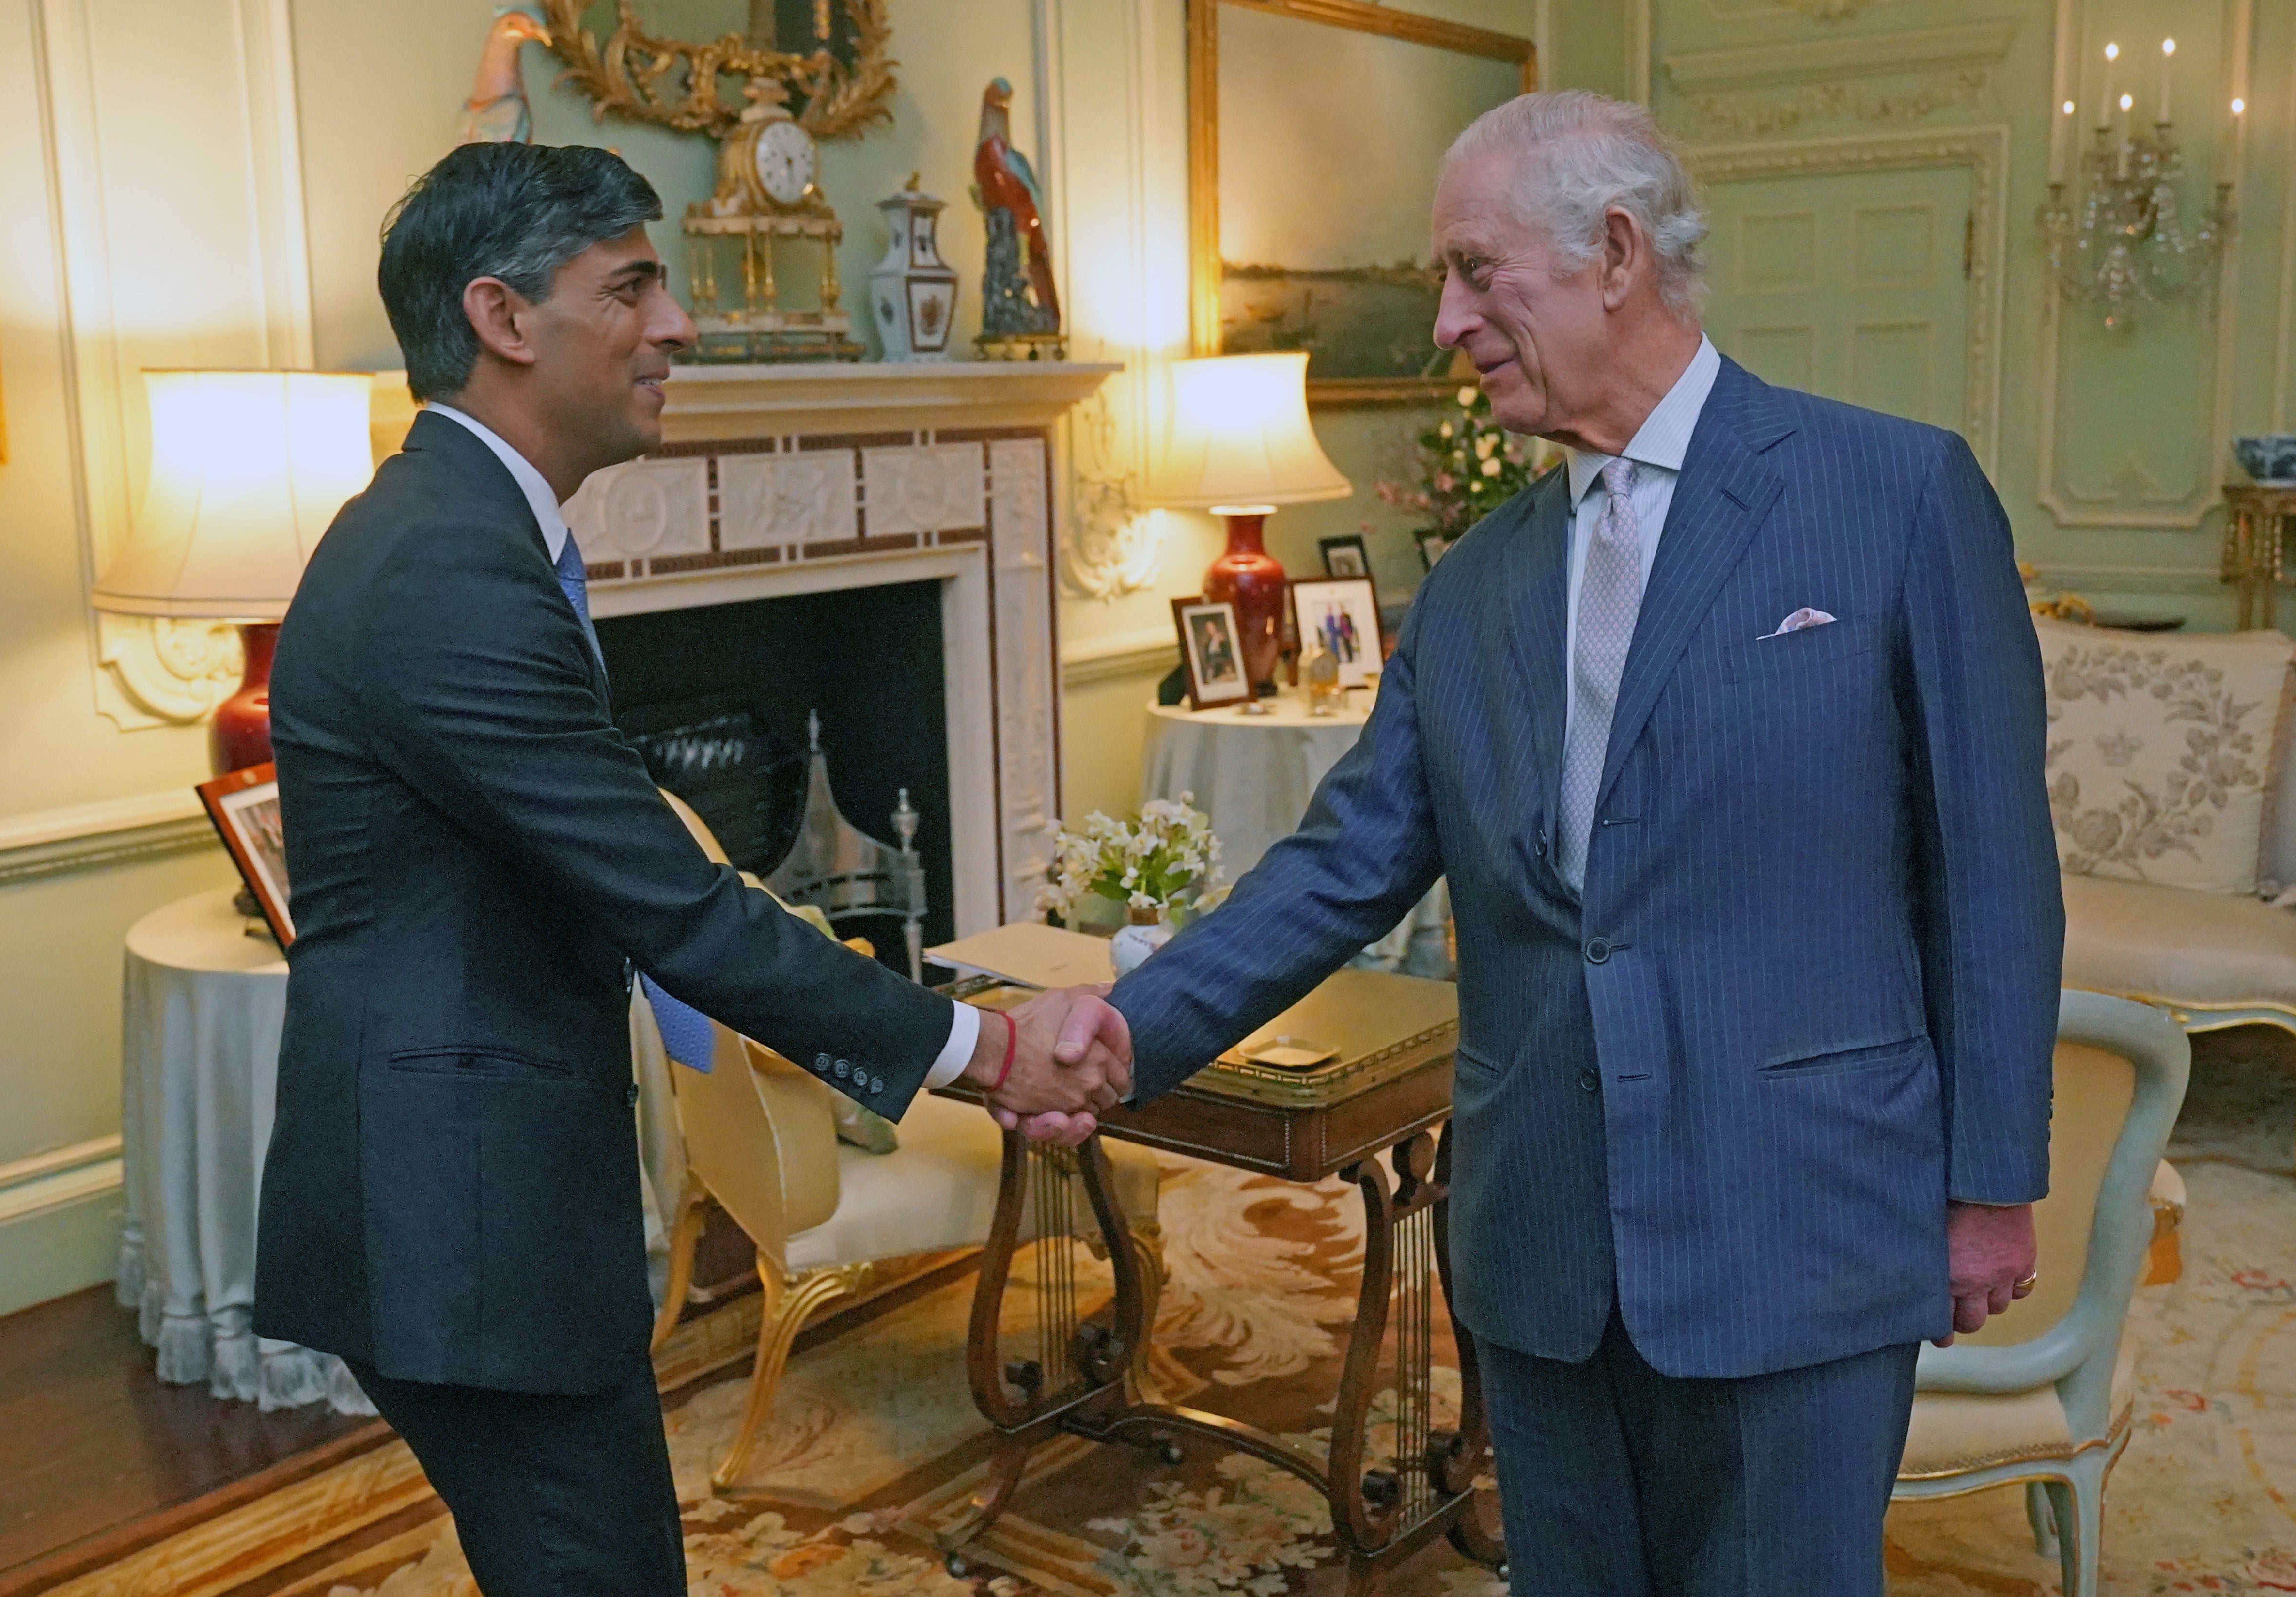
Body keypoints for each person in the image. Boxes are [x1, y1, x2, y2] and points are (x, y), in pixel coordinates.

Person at [1094, 91, 2061, 1595]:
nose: (1444, 320)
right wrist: (1113, 1033)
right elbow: (1340, 867)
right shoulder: (1478, 583)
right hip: (1544, 1241)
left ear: (1615, 251)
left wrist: (1992, 1185)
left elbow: (1995, 872)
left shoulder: (1891, 494)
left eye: (1477, 272)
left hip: (1797, 1224)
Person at [252, 142, 1126, 1597]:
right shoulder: (444, 573)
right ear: (504, 319)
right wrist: (988, 1052)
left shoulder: (462, 538)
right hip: (459, 1221)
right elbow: (674, 905)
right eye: (635, 288)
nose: (682, 326)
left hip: (468, 1198)